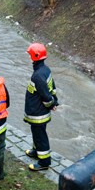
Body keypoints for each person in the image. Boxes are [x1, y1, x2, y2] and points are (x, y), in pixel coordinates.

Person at [23, 42, 58, 171]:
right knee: (36, 133)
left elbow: (46, 96)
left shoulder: (38, 76)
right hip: (39, 111)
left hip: (38, 114)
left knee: (40, 135)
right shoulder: (45, 70)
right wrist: (55, 101)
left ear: (35, 56)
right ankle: (36, 151)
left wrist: (52, 104)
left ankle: (44, 162)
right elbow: (52, 88)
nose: (29, 57)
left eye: (30, 55)